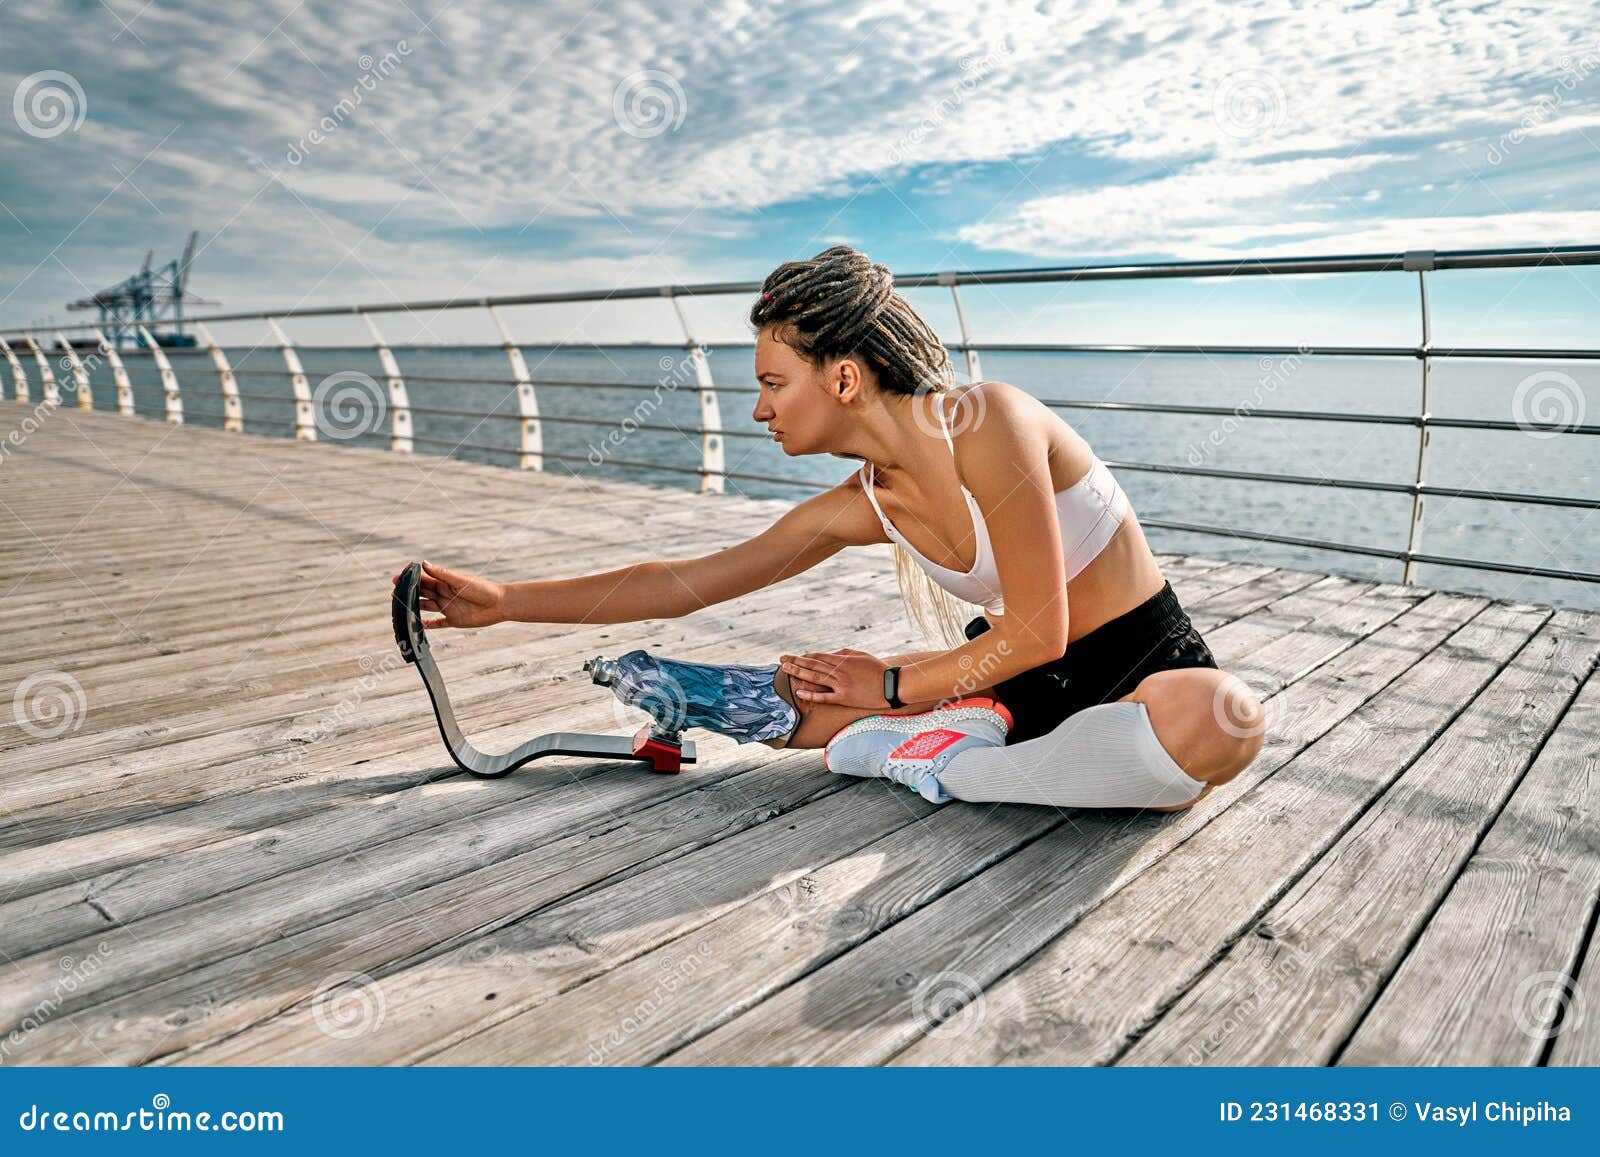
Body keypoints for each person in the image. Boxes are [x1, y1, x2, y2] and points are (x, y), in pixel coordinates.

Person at [391, 246, 1266, 811]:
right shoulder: (864, 503)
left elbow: (1043, 628)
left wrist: (889, 684)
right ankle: (959, 742)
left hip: (1138, 666)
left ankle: (933, 755)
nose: (759, 407)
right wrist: (502, 602)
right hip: (1018, 687)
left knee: (1225, 719)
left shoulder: (987, 421)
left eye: (775, 382)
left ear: (843, 379)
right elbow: (686, 578)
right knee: (795, 691)